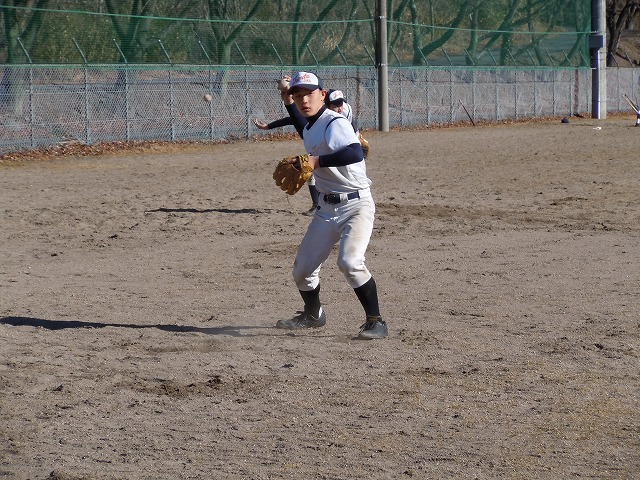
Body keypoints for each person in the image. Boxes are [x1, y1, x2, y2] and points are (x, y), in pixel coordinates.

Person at [274, 71, 387, 339]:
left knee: (350, 262)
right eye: (298, 96)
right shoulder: (311, 125)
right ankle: (313, 315)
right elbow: (303, 126)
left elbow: (354, 152)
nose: (304, 100)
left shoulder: (335, 122)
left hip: (356, 205)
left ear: (322, 95)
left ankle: (376, 321)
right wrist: (286, 100)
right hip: (326, 209)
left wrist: (316, 161)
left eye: (309, 94)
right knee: (302, 270)